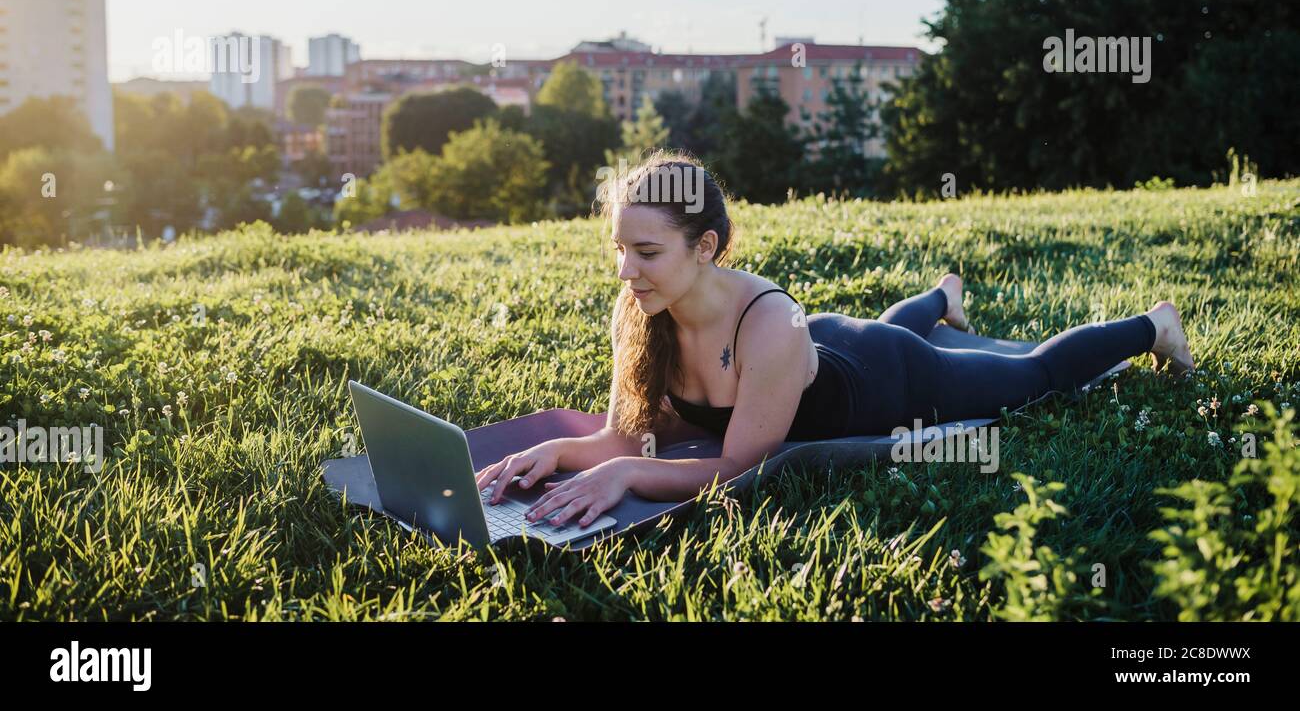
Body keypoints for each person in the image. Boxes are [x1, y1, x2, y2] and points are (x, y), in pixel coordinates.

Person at [474, 150, 1194, 531]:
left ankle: (1152, 324)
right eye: (619, 250)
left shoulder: (763, 320)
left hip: (883, 380)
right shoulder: (639, 310)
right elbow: (629, 435)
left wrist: (627, 476)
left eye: (648, 252)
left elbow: (740, 468)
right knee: (886, 320)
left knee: (1032, 375)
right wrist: (563, 452)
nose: (627, 271)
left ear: (706, 248)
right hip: (811, 346)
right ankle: (944, 297)